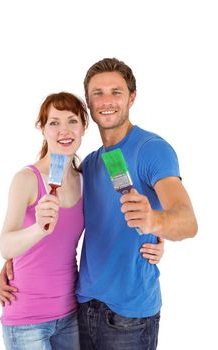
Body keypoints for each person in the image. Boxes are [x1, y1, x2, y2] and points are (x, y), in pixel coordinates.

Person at [0, 89, 164, 349]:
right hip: (27, 316)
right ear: (42, 128)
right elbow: (5, 246)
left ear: (84, 127)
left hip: (70, 312)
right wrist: (38, 231)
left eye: (72, 121)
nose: (64, 130)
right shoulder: (26, 179)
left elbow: (108, 224)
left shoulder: (85, 176)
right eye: (54, 122)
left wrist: (155, 237)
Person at [75, 58, 198, 350]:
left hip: (129, 316)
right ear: (88, 102)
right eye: (98, 93)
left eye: (116, 92)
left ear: (132, 97)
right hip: (82, 304)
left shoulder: (151, 149)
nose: (107, 101)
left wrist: (154, 222)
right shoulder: (90, 163)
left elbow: (187, 222)